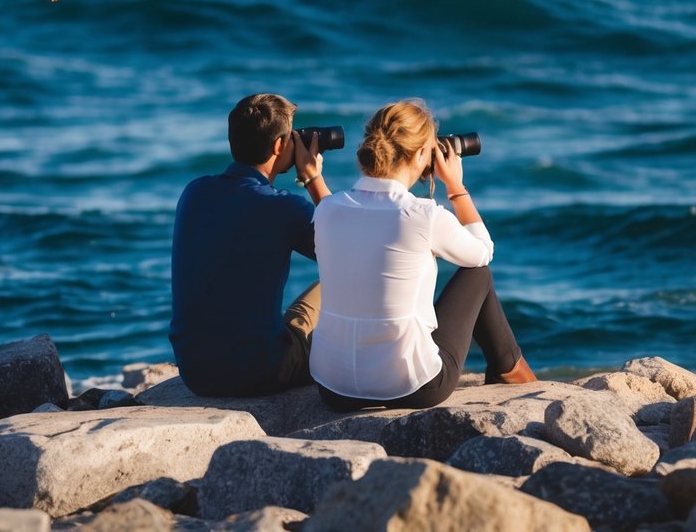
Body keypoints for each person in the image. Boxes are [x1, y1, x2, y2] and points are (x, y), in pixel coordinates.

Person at [310, 100, 535, 410]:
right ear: (420, 154)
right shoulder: (422, 214)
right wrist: (455, 186)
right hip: (412, 386)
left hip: (334, 387)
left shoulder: (327, 209)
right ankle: (511, 369)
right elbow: (482, 253)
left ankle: (511, 368)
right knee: (477, 275)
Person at [169, 92, 330, 397]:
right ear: (279, 145)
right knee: (343, 279)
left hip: (196, 372)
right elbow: (349, 248)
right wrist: (312, 177)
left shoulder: (194, 192)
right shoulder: (282, 207)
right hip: (261, 370)